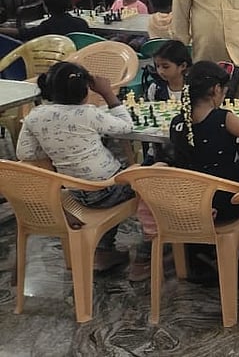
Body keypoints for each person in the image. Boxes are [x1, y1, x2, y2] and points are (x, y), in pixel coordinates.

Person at [17, 62, 144, 274]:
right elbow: (126, 127)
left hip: (72, 193)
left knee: (113, 182)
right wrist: (107, 93)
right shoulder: (88, 113)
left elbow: (25, 153)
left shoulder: (35, 115)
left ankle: (103, 250)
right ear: (86, 90)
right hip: (107, 189)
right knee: (147, 173)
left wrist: (57, 147)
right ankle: (148, 252)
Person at [170, 61, 239, 221]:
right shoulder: (223, 118)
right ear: (216, 89)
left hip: (189, 202)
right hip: (224, 202)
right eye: (224, 93)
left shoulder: (177, 122)